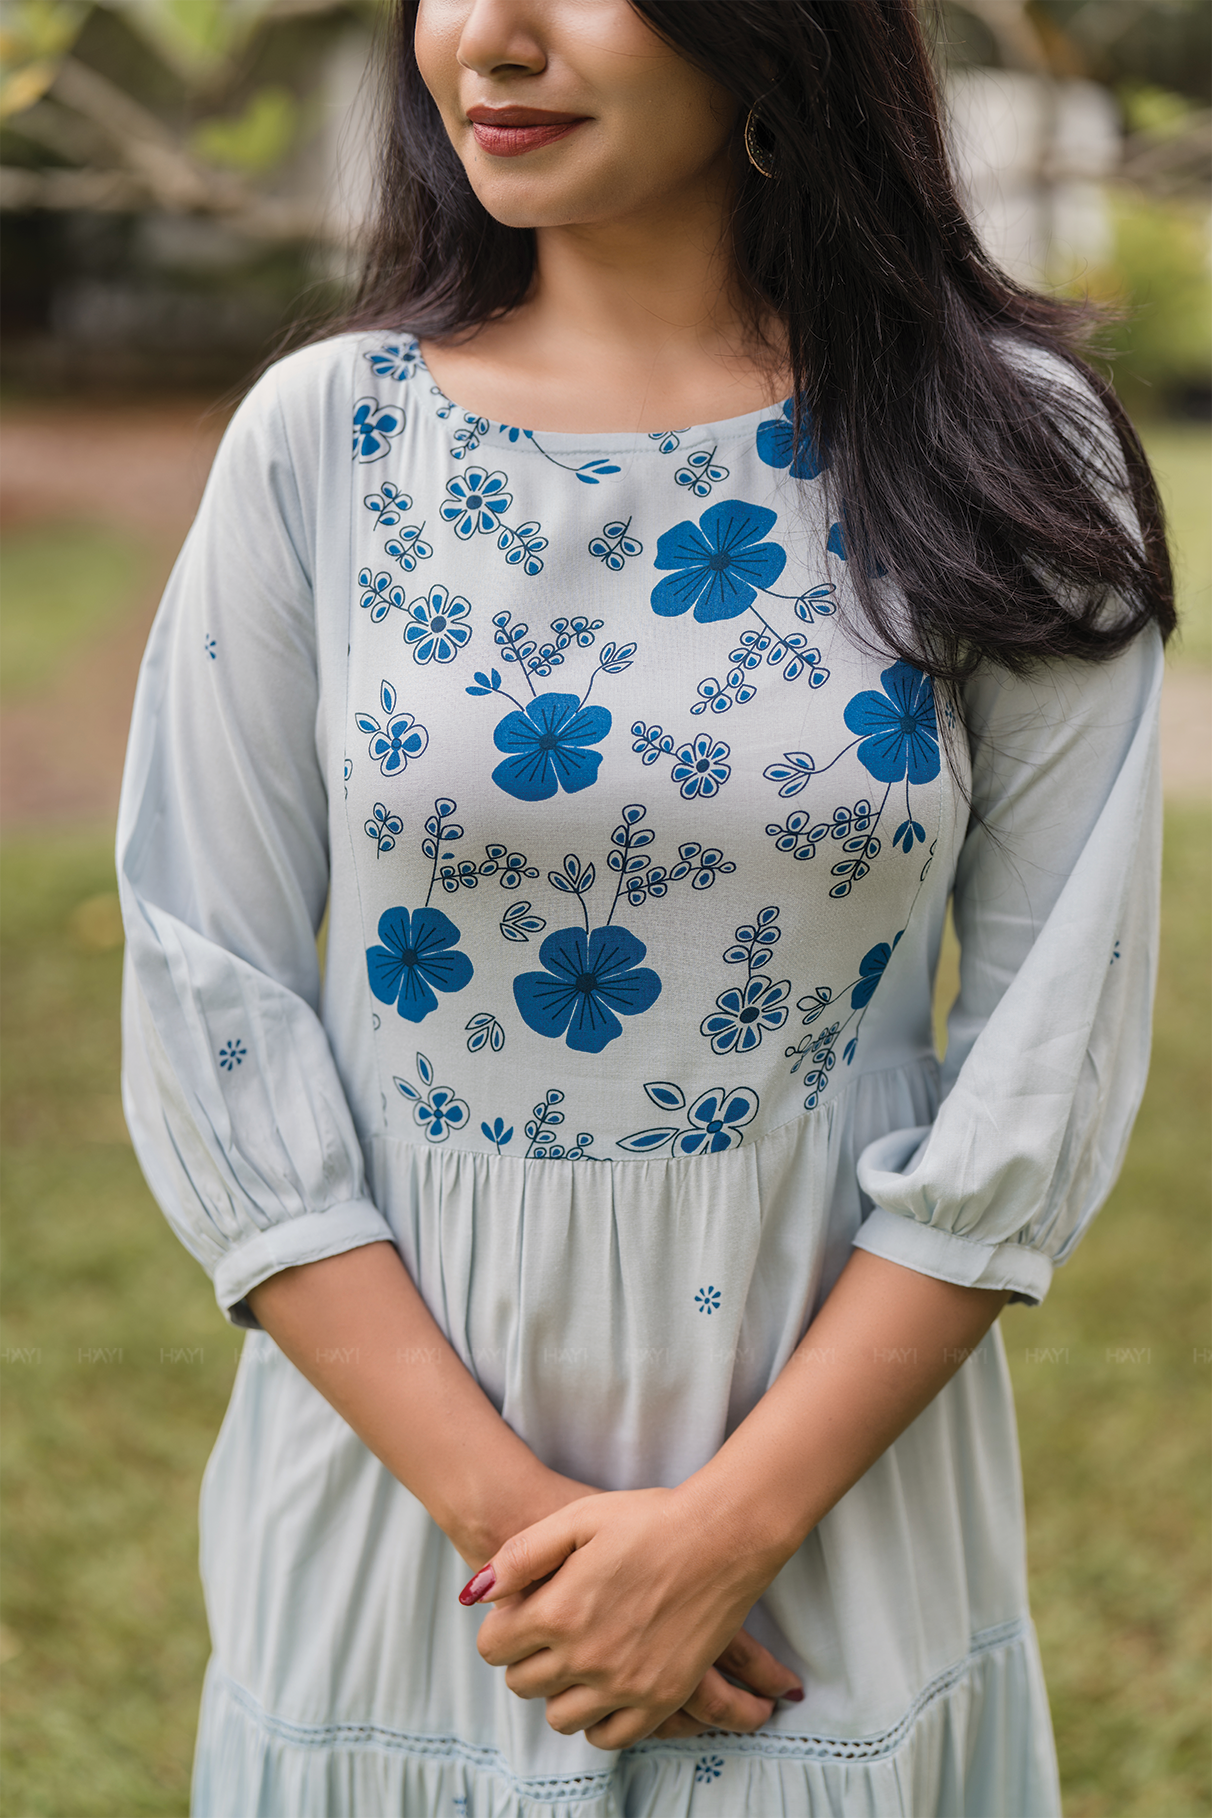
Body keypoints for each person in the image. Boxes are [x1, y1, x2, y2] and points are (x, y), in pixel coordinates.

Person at [117, 2, 1174, 1812]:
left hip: (830, 1485)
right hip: (397, 1490)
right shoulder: (324, 442)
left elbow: (1043, 1057)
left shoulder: (1003, 446)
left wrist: (726, 1531)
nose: (493, 38)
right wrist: (522, 1528)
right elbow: (207, 992)